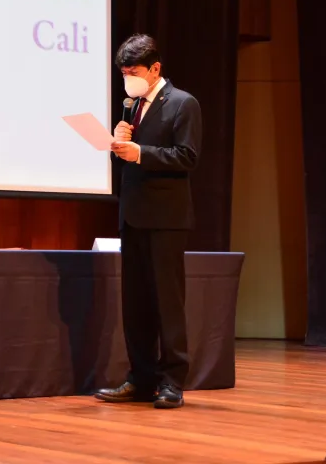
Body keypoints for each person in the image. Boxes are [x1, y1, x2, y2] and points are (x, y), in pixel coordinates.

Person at [95, 34, 202, 409]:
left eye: (134, 72)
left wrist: (140, 152)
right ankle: (140, 378)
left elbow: (187, 156)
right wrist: (118, 144)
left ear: (155, 68)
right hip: (133, 215)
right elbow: (127, 158)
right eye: (124, 73)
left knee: (167, 303)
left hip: (166, 218)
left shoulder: (183, 103)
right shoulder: (132, 106)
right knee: (136, 303)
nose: (128, 79)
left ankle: (172, 381)